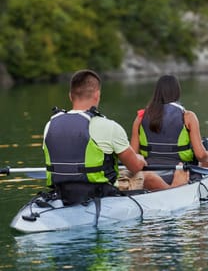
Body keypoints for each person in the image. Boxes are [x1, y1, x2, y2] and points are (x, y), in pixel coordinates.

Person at [43, 69, 146, 205]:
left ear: (70, 96)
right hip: (100, 194)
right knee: (138, 175)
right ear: (97, 95)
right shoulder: (109, 126)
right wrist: (140, 159)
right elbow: (134, 167)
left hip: (62, 193)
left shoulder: (50, 125)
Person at [130, 75, 208, 191]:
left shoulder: (140, 118)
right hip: (180, 171)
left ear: (157, 93)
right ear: (177, 93)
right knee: (203, 159)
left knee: (202, 161)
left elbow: (132, 156)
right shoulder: (188, 116)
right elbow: (200, 156)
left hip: (149, 172)